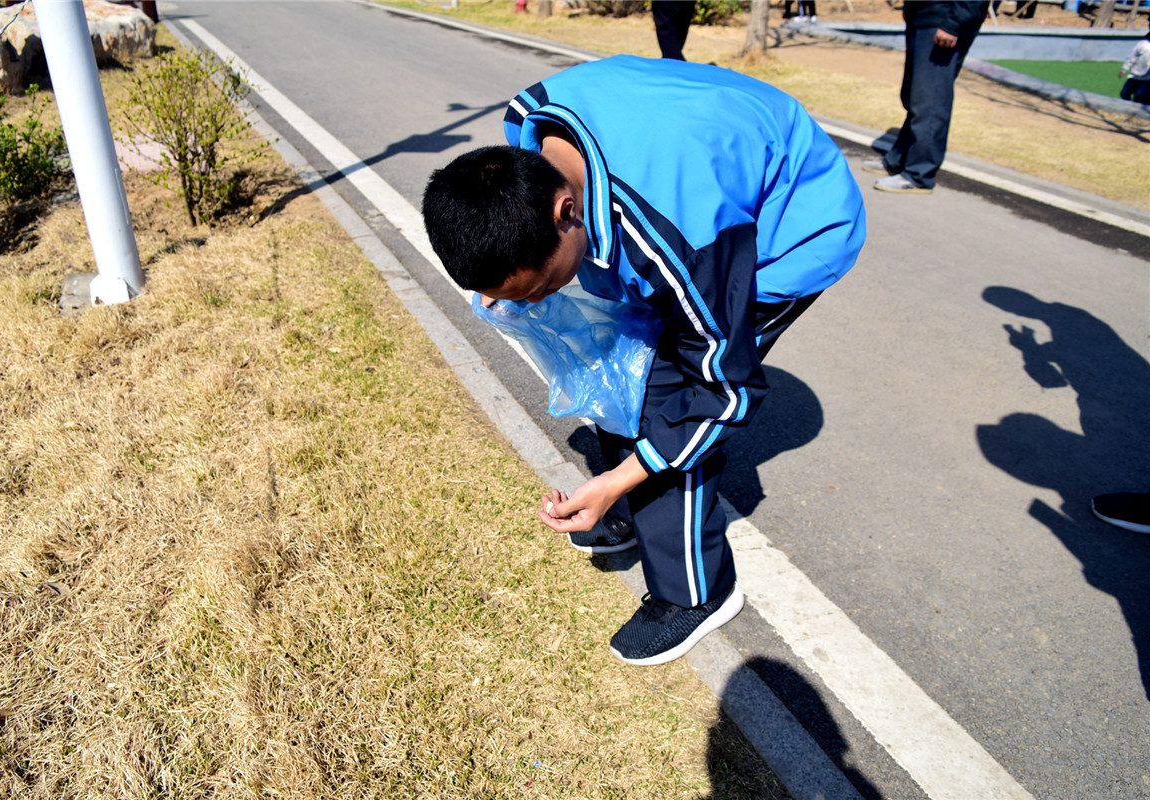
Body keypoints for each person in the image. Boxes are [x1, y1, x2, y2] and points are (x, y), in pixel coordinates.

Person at [422, 56, 866, 666]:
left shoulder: (680, 241)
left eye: (538, 286)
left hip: (788, 226)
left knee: (667, 393)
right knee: (623, 358)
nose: (533, 302)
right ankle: (632, 508)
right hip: (703, 159)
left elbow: (720, 391)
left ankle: (695, 592)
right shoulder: (529, 125)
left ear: (566, 211)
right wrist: (515, 291)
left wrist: (616, 479)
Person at [863, 1, 989, 194]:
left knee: (931, 99)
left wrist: (954, 23)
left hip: (945, 18)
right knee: (914, 96)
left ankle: (919, 174)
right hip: (923, 14)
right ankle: (899, 160)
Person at [1118, 29, 1150, 105]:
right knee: (1124, 93)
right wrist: (1125, 69)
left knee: (1140, 95)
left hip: (1148, 79)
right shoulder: (1142, 44)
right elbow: (1133, 57)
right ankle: (1129, 108)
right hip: (1135, 75)